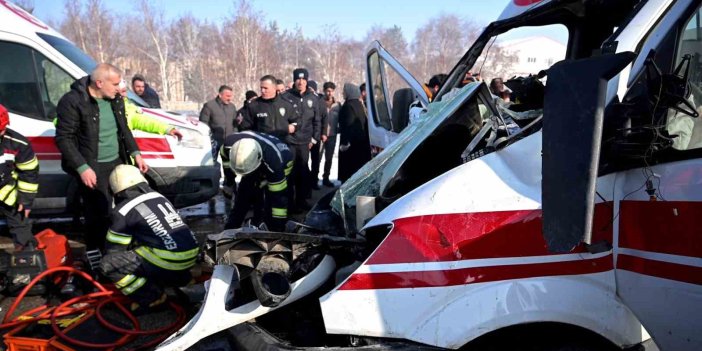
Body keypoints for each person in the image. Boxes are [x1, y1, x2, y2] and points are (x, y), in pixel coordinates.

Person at [56, 63, 147, 251]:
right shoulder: (73, 101)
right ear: (99, 83)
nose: (119, 88)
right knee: (98, 213)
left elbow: (124, 129)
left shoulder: (115, 99)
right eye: (114, 84)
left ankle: (123, 250)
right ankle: (97, 253)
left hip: (117, 162)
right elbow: (64, 139)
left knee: (125, 207)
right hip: (92, 165)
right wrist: (82, 168)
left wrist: (135, 153)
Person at [100, 165, 199, 312]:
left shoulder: (123, 210)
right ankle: (183, 279)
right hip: (191, 253)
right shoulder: (159, 197)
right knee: (156, 248)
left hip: (168, 260)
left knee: (108, 265)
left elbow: (114, 249)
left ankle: (152, 297)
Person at [221, 131, 293, 232]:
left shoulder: (274, 164)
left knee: (268, 201)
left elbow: (279, 200)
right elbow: (226, 163)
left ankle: (267, 226)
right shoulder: (229, 145)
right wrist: (229, 182)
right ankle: (230, 229)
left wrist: (278, 229)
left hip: (284, 163)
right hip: (255, 161)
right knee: (243, 196)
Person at [281, 68, 322, 211]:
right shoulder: (285, 97)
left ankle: (301, 201)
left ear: (307, 81)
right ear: (294, 80)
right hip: (290, 141)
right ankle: (290, 202)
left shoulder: (313, 98)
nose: (300, 82)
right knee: (290, 173)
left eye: (303, 79)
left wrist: (314, 139)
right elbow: (280, 119)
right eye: (298, 79)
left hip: (306, 142)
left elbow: (317, 121)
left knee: (303, 172)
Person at [0, 104, 39, 251]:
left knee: (22, 230)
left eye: (4, 128)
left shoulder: (18, 143)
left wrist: (25, 201)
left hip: (8, 194)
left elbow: (29, 172)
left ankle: (27, 263)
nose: (3, 131)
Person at [200, 85, 238, 197]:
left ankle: (230, 186)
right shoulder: (209, 106)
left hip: (229, 141)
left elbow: (234, 123)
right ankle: (211, 189)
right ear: (220, 95)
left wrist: (234, 134)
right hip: (215, 142)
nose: (229, 98)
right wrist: (209, 138)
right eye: (227, 96)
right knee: (212, 166)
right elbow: (203, 123)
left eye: (231, 96)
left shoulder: (232, 107)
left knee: (230, 166)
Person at [239, 75, 298, 141]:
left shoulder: (286, 104)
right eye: (261, 88)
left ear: (274, 88)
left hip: (282, 144)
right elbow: (245, 127)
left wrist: (294, 127)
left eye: (265, 88)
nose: (262, 91)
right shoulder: (253, 105)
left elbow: (297, 121)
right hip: (262, 145)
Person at [338, 83, 371, 182]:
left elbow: (348, 125)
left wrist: (345, 143)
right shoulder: (359, 105)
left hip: (351, 146)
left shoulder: (348, 106)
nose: (343, 93)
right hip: (361, 144)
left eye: (344, 91)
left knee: (348, 171)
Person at [320, 82, 341, 187]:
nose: (329, 93)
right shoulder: (319, 102)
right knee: (317, 158)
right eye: (328, 91)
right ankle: (313, 178)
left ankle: (326, 178)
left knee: (329, 158)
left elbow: (341, 119)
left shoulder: (337, 105)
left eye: (331, 91)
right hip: (320, 135)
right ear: (324, 91)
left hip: (332, 135)